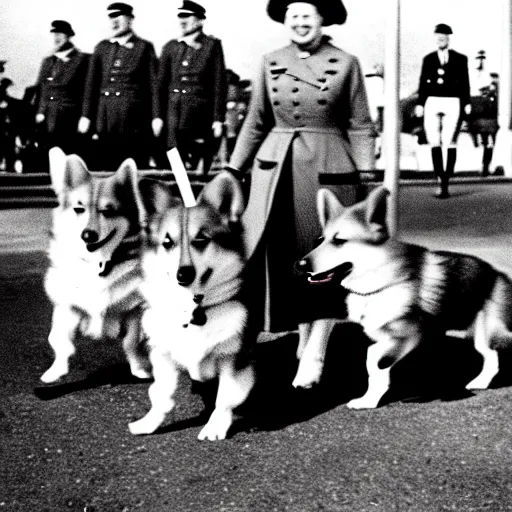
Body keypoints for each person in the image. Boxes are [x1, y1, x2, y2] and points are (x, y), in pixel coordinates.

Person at [226, 0, 375, 334]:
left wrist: (366, 172)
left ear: (323, 20)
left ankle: (316, 343)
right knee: (271, 252)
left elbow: (361, 123)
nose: (300, 22)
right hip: (275, 169)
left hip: (327, 165)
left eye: (307, 15)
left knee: (318, 254)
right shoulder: (271, 61)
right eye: (293, 16)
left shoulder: (346, 63)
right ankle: (282, 326)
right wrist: (233, 168)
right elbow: (255, 121)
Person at [79, 2, 159, 170]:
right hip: (105, 118)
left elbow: (153, 87)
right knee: (106, 167)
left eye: (118, 17)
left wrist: (156, 117)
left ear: (130, 20)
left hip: (133, 119)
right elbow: (90, 86)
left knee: (132, 167)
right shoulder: (101, 48)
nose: (114, 22)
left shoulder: (143, 47)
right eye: (111, 18)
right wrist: (86, 115)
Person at [155, 0, 227, 174]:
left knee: (199, 166)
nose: (182, 20)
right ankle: (183, 197)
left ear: (201, 21)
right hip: (173, 114)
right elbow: (160, 86)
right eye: (180, 16)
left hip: (199, 115)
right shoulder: (170, 47)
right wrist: (157, 116)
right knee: (175, 160)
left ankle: (197, 196)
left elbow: (219, 84)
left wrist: (218, 118)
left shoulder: (211, 46)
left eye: (187, 16)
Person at [415, 23, 471, 198]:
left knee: (449, 140)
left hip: (452, 100)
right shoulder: (429, 59)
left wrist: (466, 102)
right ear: (435, 38)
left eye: (444, 36)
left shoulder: (460, 59)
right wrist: (420, 103)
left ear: (449, 38)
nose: (441, 38)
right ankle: (440, 178)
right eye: (438, 35)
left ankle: (446, 178)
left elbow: (465, 81)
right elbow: (423, 82)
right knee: (434, 140)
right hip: (433, 100)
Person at [34, 21, 90, 160]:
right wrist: (41, 111)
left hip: (69, 117)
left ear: (69, 36)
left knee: (69, 159)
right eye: (54, 34)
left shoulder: (82, 60)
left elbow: (88, 91)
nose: (56, 38)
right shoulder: (48, 61)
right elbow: (42, 89)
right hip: (47, 119)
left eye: (60, 34)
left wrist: (85, 116)